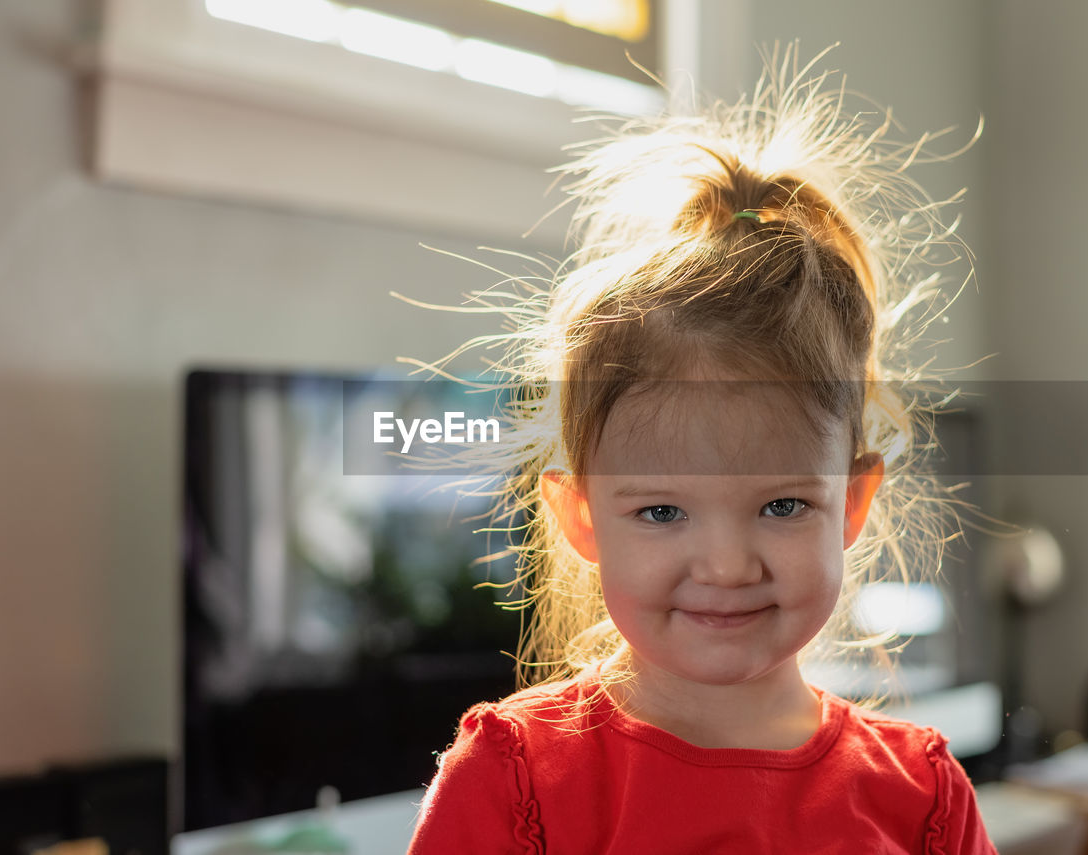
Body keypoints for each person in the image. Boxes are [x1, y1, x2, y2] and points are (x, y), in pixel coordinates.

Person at [405, 49, 995, 854]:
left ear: (852, 502)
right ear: (580, 514)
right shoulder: (512, 781)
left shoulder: (922, 799)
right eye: (661, 510)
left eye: (782, 505)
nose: (725, 566)